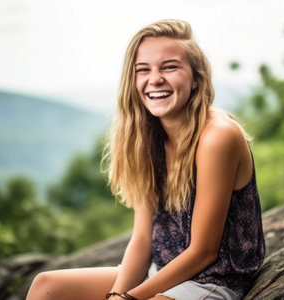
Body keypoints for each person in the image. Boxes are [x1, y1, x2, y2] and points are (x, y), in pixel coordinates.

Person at [26, 19, 265, 300]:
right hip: (163, 271)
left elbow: (204, 252)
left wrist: (130, 298)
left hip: (212, 280)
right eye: (143, 70)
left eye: (170, 67)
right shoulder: (147, 138)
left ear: (196, 78)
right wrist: (117, 295)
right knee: (46, 286)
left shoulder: (217, 137)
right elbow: (142, 240)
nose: (155, 79)